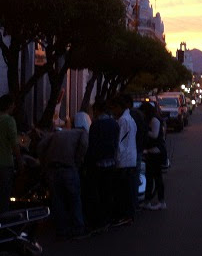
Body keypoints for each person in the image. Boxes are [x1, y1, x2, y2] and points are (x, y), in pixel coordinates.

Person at [37, 121, 88, 239]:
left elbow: (40, 147)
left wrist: (44, 163)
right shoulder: (82, 133)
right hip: (68, 168)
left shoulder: (57, 134)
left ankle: (61, 229)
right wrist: (78, 160)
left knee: (57, 200)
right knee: (74, 199)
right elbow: (84, 145)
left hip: (51, 170)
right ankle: (78, 228)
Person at [84, 101, 119, 231]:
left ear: (98, 110)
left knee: (97, 193)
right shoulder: (114, 124)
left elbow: (91, 145)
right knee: (108, 192)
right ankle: (107, 219)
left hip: (98, 163)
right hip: (111, 162)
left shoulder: (96, 125)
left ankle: (99, 221)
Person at [110, 95, 137, 226]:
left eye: (114, 108)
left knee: (123, 190)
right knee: (129, 189)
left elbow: (118, 142)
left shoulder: (123, 120)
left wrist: (116, 159)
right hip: (131, 158)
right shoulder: (130, 119)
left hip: (124, 160)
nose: (113, 111)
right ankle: (129, 215)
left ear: (120, 107)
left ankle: (126, 216)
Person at [139, 102, 166, 211]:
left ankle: (161, 201)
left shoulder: (155, 120)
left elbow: (154, 135)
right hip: (152, 151)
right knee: (150, 178)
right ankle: (147, 201)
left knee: (157, 177)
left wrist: (144, 131)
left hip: (156, 152)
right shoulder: (152, 119)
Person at [0, 94, 22, 213]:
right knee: (4, 198)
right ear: (9, 105)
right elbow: (14, 145)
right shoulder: (9, 120)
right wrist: (20, 162)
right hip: (5, 165)